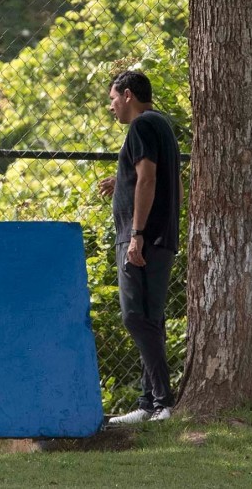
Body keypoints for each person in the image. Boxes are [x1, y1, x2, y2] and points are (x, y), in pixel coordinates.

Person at [98, 70, 182, 424]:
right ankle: (149, 404)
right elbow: (154, 177)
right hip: (162, 237)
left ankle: (164, 400)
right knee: (150, 318)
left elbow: (148, 178)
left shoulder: (141, 126)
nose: (112, 107)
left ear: (128, 95)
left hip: (143, 239)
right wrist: (120, 179)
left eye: (113, 99)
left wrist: (136, 234)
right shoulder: (161, 125)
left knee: (134, 317)